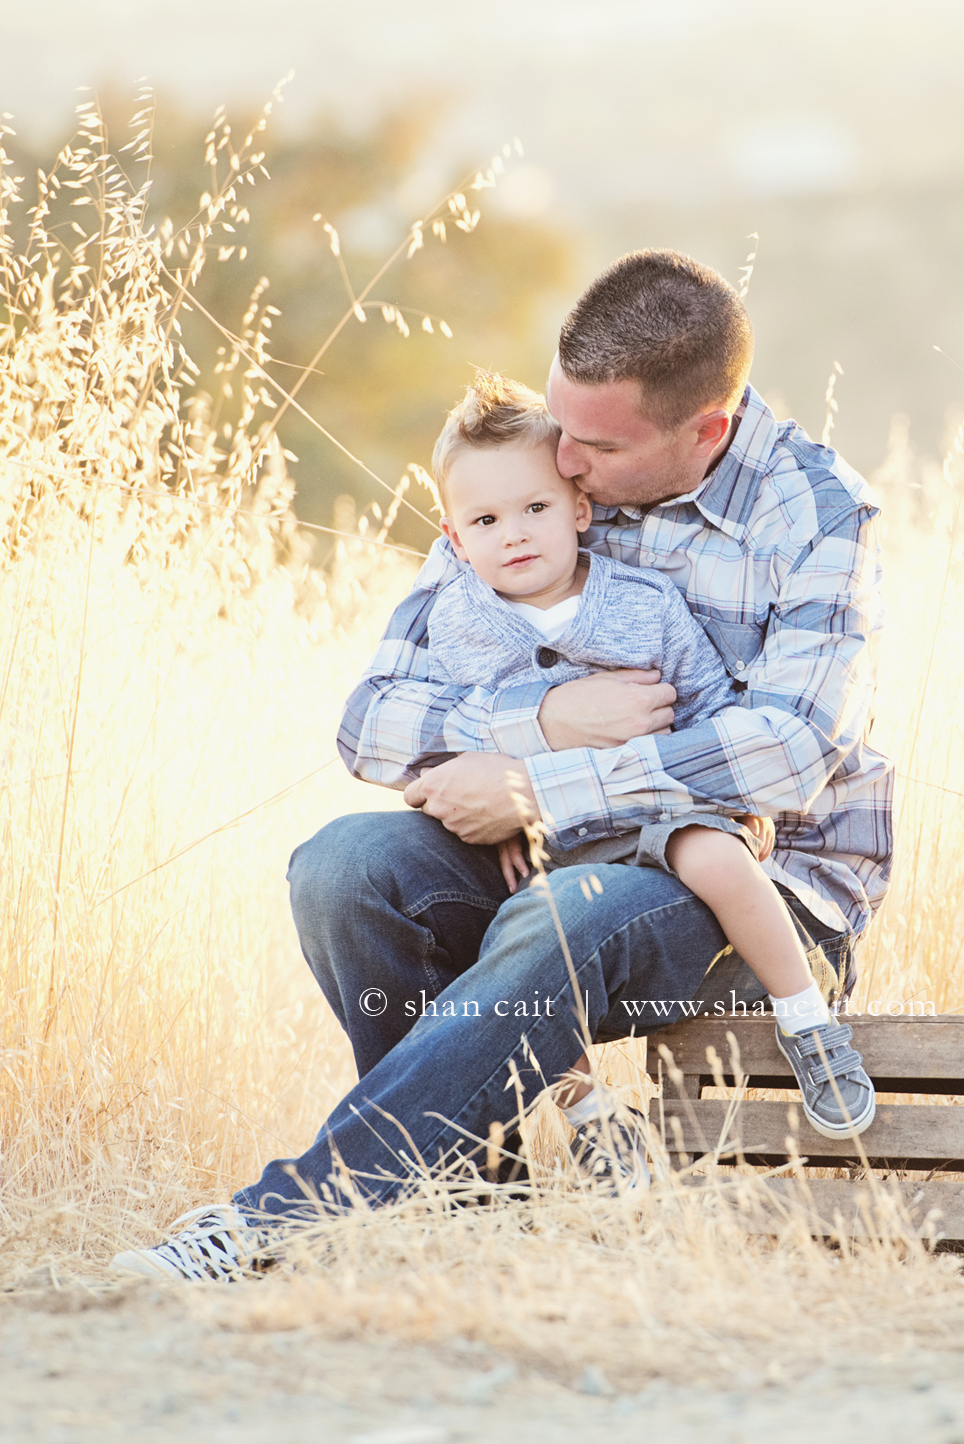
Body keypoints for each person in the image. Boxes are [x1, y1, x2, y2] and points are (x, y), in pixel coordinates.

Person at [114, 249, 892, 1281]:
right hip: (563, 855)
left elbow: (787, 753)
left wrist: (537, 786)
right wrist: (545, 721)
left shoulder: (816, 512)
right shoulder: (528, 476)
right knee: (345, 868)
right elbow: (374, 723)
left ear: (704, 429)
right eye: (559, 425)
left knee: (560, 914)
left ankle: (281, 1220)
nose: (562, 462)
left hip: (758, 891)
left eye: (594, 448)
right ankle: (473, 1207)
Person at [424, 367, 875, 1154]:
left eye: (535, 510)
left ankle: (807, 1017)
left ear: (580, 510)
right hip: (539, 827)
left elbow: (708, 701)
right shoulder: (460, 614)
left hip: (659, 807)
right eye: (487, 521)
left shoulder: (640, 599)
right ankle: (589, 1116)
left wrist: (740, 806)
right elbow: (421, 724)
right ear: (455, 539)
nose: (515, 534)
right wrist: (532, 741)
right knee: (507, 932)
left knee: (718, 858)